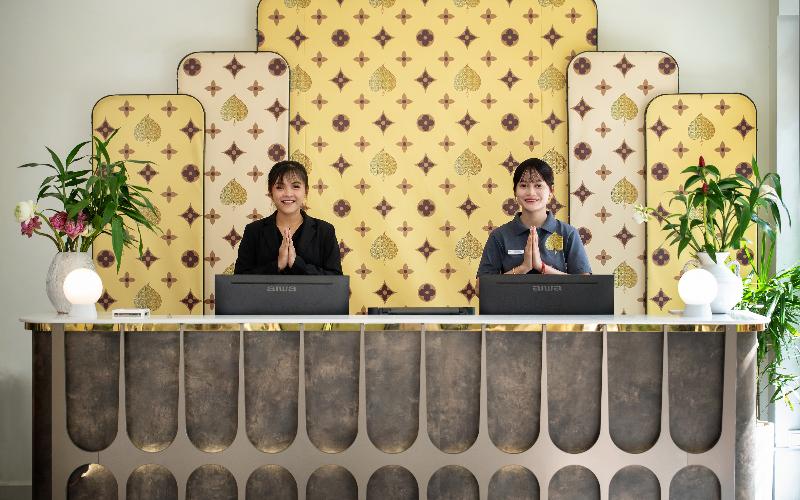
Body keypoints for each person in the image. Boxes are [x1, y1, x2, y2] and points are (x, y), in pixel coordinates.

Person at [477, 157, 591, 276]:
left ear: (551, 191)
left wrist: (541, 267)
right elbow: (482, 285)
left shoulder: (568, 233)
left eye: (538, 185)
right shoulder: (499, 236)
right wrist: (523, 268)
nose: (531, 192)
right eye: (523, 185)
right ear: (515, 191)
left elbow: (584, 284)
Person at [234, 160, 342, 275]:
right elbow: (239, 279)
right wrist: (277, 265)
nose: (288, 193)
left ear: (306, 191)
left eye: (295, 186)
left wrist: (297, 264)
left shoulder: (325, 231)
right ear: (270, 192)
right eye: (280, 187)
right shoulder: (253, 231)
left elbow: (336, 280)